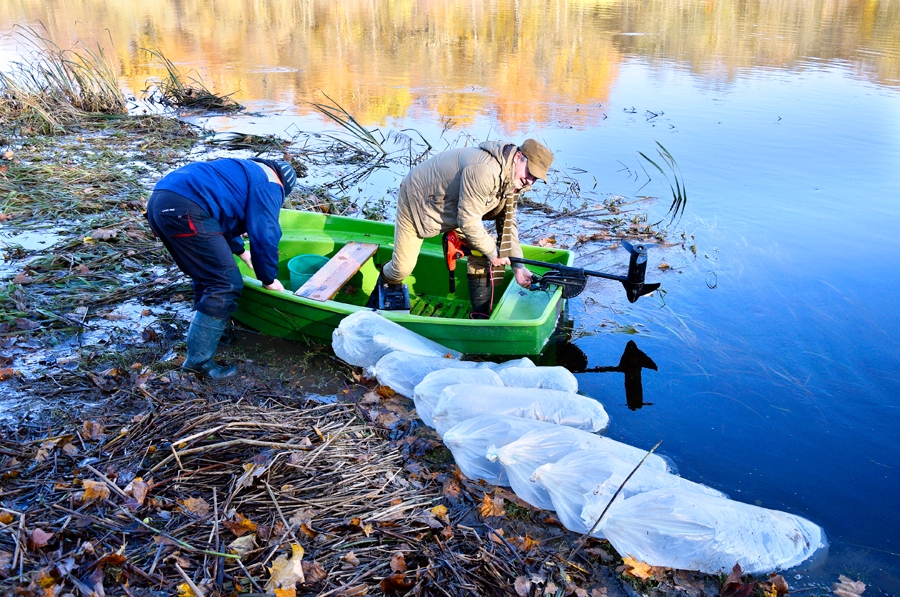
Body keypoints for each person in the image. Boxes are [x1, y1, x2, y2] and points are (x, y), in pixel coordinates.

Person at [146, 157, 297, 378]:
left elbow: (219, 214)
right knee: (224, 283)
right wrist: (269, 279)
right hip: (185, 208)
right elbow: (265, 233)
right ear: (284, 186)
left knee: (207, 275)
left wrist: (241, 251)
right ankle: (198, 363)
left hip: (160, 202)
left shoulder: (244, 171)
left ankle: (219, 334)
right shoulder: (270, 184)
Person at [369, 139, 554, 316]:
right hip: (419, 201)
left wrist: (518, 266)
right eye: (530, 172)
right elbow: (468, 221)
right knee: (402, 268)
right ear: (517, 157)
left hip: (457, 207)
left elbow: (507, 224)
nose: (530, 181)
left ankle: (480, 316)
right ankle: (382, 288)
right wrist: (493, 251)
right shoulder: (484, 171)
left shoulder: (514, 180)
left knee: (481, 253)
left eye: (536, 178)